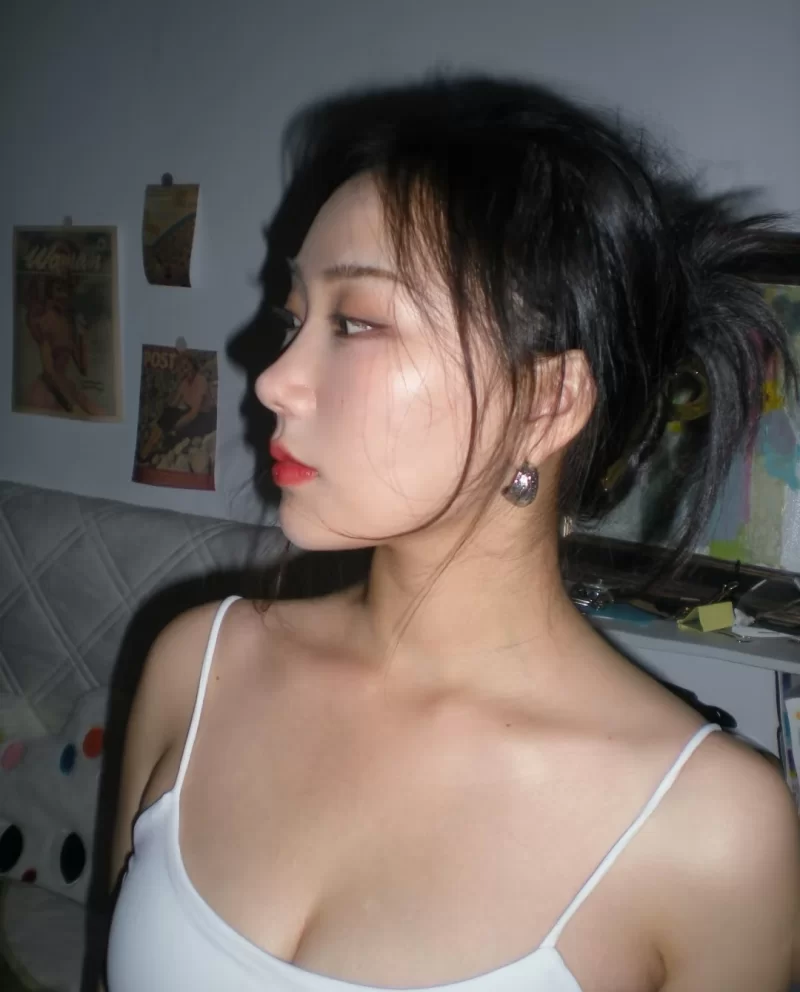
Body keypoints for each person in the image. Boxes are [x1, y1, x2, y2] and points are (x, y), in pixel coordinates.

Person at [104, 77, 800, 992]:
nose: (272, 379)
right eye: (294, 318)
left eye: (356, 322)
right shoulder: (195, 667)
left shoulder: (716, 833)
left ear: (546, 401)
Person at [23, 274, 103, 416]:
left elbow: (83, 368)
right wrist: (70, 406)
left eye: (66, 290)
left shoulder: (69, 324)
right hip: (48, 389)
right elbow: (49, 373)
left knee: (99, 413)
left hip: (66, 386)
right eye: (59, 290)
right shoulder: (46, 320)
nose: (63, 295)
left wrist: (82, 335)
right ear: (51, 293)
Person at [137, 351, 215, 463]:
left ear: (193, 365)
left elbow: (194, 413)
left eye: (186, 366)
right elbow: (172, 405)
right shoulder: (184, 383)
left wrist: (176, 426)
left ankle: (159, 447)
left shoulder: (200, 380)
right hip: (194, 416)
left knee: (175, 426)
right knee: (168, 414)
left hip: (206, 418)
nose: (185, 370)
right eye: (181, 368)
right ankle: (147, 450)